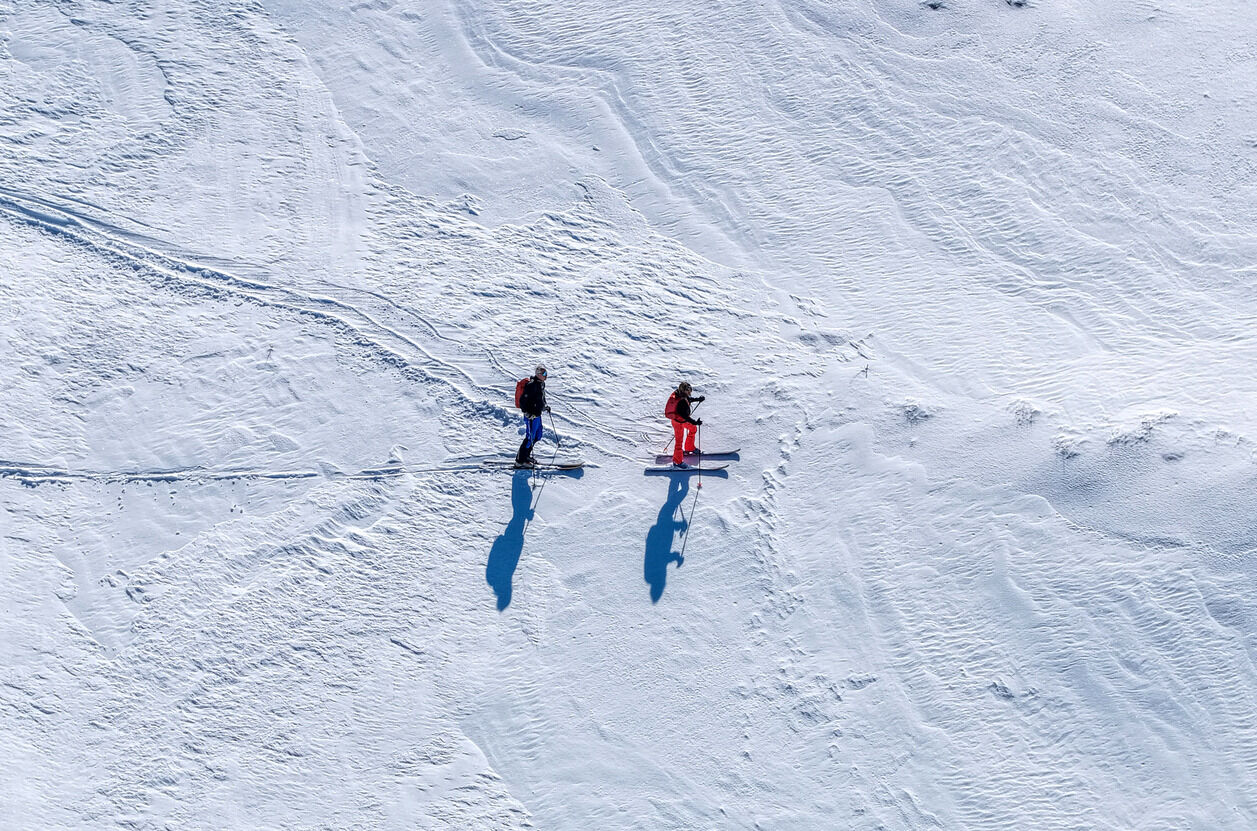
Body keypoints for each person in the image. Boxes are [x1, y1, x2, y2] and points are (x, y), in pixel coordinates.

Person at [515, 365, 550, 466]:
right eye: (543, 373)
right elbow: (523, 401)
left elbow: (540, 399)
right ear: (538, 374)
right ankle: (520, 460)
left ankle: (526, 456)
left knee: (538, 435)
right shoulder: (531, 385)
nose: (545, 375)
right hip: (531, 416)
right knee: (530, 437)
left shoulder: (541, 384)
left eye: (546, 373)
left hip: (537, 415)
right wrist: (526, 412)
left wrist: (545, 406)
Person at [664, 381, 705, 468]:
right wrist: (695, 422)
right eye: (688, 391)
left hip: (682, 420)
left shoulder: (681, 395)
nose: (690, 392)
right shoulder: (681, 402)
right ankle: (677, 462)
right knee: (679, 442)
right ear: (684, 391)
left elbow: (689, 399)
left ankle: (689, 448)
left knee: (693, 429)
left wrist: (698, 399)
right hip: (678, 423)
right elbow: (685, 416)